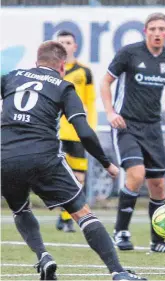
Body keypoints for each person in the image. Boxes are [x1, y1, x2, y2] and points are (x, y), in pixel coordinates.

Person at [0, 41, 146, 280]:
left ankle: (43, 256)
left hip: (5, 157)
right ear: (62, 65)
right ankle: (118, 272)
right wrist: (106, 162)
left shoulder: (12, 77)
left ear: (37, 62)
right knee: (83, 213)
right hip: (43, 157)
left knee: (20, 209)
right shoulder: (63, 86)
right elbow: (84, 132)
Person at [100, 12, 165, 253]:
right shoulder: (130, 53)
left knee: (158, 184)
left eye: (162, 29)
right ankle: (121, 232)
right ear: (145, 32)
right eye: (153, 29)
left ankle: (158, 241)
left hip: (153, 128)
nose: (157, 33)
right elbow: (105, 82)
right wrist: (110, 112)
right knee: (136, 175)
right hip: (125, 126)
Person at [55, 30, 98, 233]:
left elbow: (90, 101)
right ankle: (64, 218)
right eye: (61, 42)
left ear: (75, 46)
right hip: (57, 132)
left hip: (77, 133)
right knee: (62, 176)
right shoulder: (52, 71)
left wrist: (91, 128)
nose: (64, 45)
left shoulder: (84, 72)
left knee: (78, 176)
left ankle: (66, 218)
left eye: (68, 42)